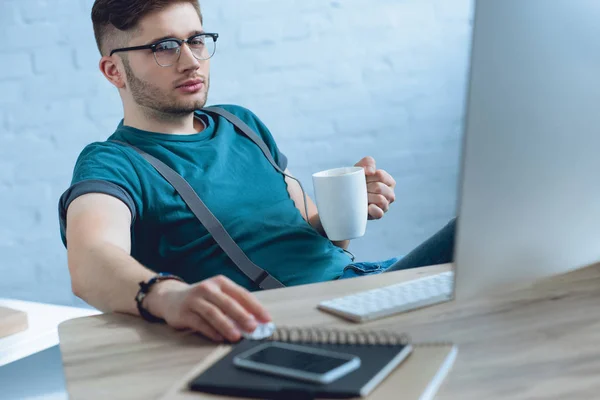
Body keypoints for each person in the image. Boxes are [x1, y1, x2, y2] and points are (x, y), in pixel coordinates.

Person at [59, 0, 456, 343]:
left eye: (196, 40)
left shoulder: (241, 123)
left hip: (365, 283)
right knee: (477, 231)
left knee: (499, 233)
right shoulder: (114, 163)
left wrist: (351, 203)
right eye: (164, 47)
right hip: (308, 318)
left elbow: (319, 234)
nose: (191, 60)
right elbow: (91, 258)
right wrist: (167, 296)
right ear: (114, 71)